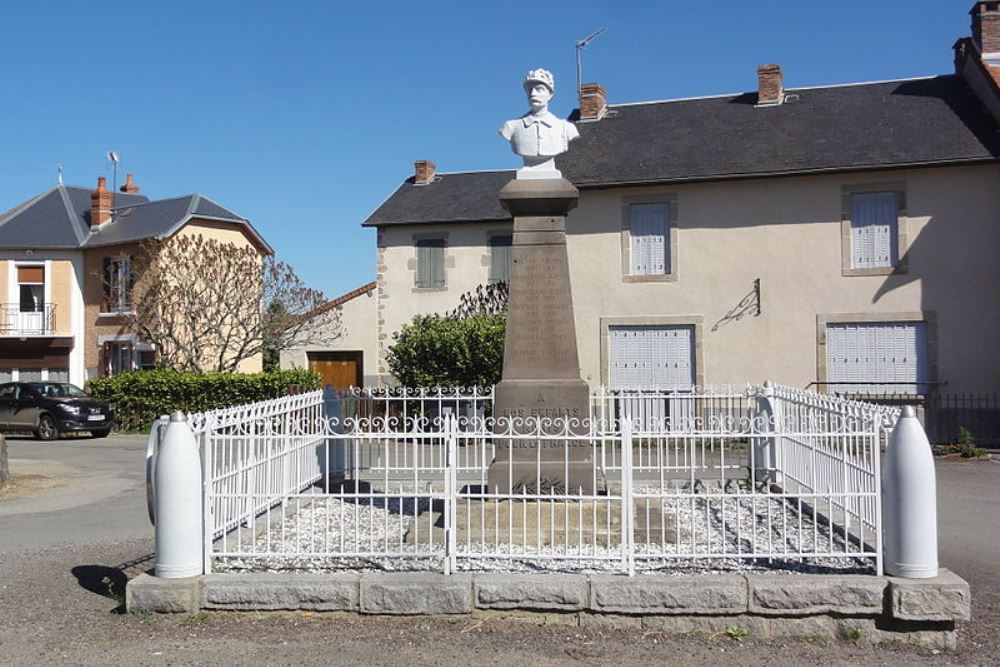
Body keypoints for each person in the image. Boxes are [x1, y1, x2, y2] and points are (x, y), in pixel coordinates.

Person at [499, 69, 579, 175]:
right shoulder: (511, 127)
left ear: (550, 94)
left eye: (539, 89)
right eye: (529, 90)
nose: (533, 94)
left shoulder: (566, 128)